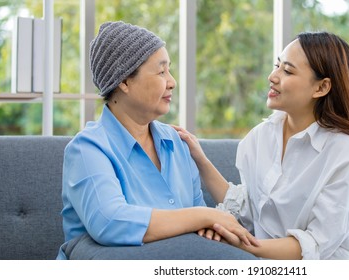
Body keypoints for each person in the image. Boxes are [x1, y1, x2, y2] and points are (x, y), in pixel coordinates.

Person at [174, 31, 349, 260]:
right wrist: (200, 158)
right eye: (277, 66)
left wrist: (240, 243)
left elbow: (314, 245)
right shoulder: (259, 138)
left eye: (287, 70)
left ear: (321, 87)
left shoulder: (346, 151)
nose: (272, 76)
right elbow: (247, 212)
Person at [57, 21, 258, 260]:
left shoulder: (177, 143)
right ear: (124, 81)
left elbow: (197, 223)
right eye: (161, 71)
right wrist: (205, 216)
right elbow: (110, 222)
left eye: (169, 70)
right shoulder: (87, 149)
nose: (172, 81)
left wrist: (204, 221)